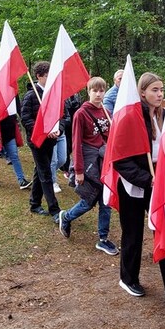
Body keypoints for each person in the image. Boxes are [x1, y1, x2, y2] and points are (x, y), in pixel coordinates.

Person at [114, 72, 165, 307]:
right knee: (133, 234)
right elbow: (120, 160)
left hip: (160, 182)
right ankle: (128, 278)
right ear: (142, 92)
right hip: (135, 185)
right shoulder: (131, 118)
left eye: (162, 89)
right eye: (155, 90)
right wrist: (148, 179)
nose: (159, 94)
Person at [58, 77, 117, 255]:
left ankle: (103, 238)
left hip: (104, 162)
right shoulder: (81, 114)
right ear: (88, 91)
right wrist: (79, 171)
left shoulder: (106, 111)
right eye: (95, 91)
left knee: (105, 201)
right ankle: (66, 216)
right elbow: (76, 143)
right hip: (90, 163)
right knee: (89, 201)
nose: (98, 94)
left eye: (101, 90)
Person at [20, 62, 66, 221]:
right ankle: (54, 210)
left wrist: (59, 128)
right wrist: (43, 131)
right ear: (39, 76)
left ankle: (34, 203)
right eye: (47, 75)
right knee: (46, 173)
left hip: (51, 140)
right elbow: (25, 118)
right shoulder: (31, 95)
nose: (50, 77)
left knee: (39, 170)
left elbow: (63, 116)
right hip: (37, 141)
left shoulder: (54, 94)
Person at [0, 91, 30, 189]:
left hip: (9, 134)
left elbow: (17, 114)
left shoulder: (11, 103)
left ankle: (21, 180)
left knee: (14, 156)